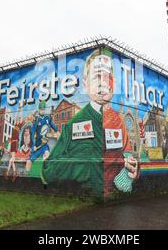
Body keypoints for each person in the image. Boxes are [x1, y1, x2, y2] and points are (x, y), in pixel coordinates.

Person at [42, 48, 139, 196]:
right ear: (86, 85)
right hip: (85, 199)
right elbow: (49, 170)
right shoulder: (73, 125)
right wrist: (82, 162)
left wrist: (134, 169)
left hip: (116, 198)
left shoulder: (119, 120)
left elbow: (128, 155)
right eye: (96, 77)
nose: (103, 83)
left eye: (108, 77)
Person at [28, 101, 57, 171]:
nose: (42, 111)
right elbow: (32, 133)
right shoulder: (37, 120)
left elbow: (52, 125)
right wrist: (33, 145)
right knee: (29, 162)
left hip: (44, 145)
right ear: (39, 110)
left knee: (47, 155)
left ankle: (46, 173)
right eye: (41, 109)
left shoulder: (47, 118)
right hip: (37, 146)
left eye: (43, 109)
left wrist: (57, 131)